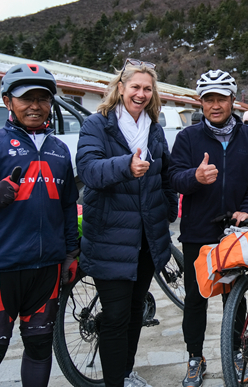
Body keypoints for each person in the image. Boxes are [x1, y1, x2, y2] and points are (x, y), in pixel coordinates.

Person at [0, 63, 79, 387]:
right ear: (7, 101)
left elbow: (68, 204)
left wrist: (71, 252)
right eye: (26, 98)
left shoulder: (59, 149)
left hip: (47, 269)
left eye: (43, 98)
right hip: (0, 267)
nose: (35, 106)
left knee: (40, 346)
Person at [76, 59, 178, 387]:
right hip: (110, 236)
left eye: (147, 88)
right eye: (135, 87)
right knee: (116, 316)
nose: (141, 94)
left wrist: (169, 209)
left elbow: (165, 173)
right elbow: (89, 170)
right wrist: (125, 166)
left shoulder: (154, 128)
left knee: (135, 310)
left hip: (146, 238)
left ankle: (125, 372)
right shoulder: (97, 125)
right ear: (120, 88)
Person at [168, 69, 248, 387]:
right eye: (208, 99)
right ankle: (195, 357)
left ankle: (236, 353)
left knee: (234, 296)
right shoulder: (187, 138)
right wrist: (194, 178)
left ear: (232, 100)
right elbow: (173, 178)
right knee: (196, 299)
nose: (215, 105)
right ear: (201, 102)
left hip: (235, 231)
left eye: (221, 98)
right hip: (198, 231)